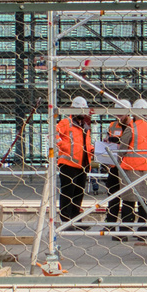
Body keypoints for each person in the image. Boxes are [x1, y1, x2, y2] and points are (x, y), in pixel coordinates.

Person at [115, 98, 147, 237]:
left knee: (128, 200)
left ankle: (125, 231)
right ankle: (144, 230)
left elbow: (122, 148)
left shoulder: (131, 127)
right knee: (144, 200)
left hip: (131, 168)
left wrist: (119, 163)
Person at [54, 96, 92, 224]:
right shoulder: (66, 123)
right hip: (68, 164)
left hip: (82, 164)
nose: (82, 113)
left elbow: (85, 144)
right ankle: (66, 220)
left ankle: (76, 220)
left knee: (78, 194)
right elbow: (53, 134)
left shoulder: (85, 126)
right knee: (67, 193)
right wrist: (64, 146)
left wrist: (92, 150)